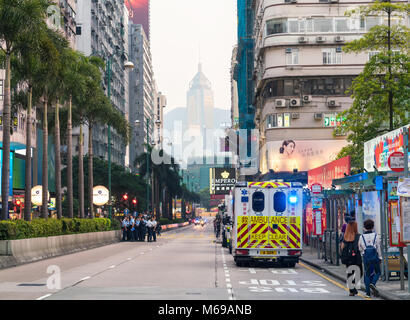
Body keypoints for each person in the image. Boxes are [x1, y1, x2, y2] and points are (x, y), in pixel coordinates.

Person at [359, 219, 382, 298]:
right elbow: (378, 247)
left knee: (367, 274)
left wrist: (363, 253)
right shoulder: (376, 235)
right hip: (375, 256)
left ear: (364, 227)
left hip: (366, 257)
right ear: (373, 227)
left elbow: (360, 248)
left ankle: (368, 293)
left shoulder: (361, 237)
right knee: (378, 272)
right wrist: (380, 257)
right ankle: (373, 283)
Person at [340, 221, 362, 296]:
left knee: (350, 273)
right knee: (360, 272)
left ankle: (351, 290)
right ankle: (353, 286)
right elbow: (360, 246)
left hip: (348, 258)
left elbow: (342, 247)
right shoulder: (358, 236)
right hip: (357, 257)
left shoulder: (345, 237)